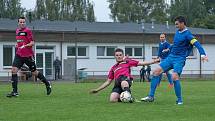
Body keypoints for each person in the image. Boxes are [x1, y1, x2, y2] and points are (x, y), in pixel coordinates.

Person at [141, 16, 208, 105]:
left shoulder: (188, 35)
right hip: (171, 57)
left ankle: (179, 100)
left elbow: (197, 44)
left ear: (182, 23)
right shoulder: (177, 32)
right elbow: (176, 44)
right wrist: (169, 49)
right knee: (156, 72)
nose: (176, 26)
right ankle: (151, 96)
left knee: (174, 77)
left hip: (179, 59)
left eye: (177, 24)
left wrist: (203, 54)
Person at [90, 48, 160, 103]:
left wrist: (153, 61)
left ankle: (128, 95)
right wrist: (97, 90)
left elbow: (141, 63)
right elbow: (108, 82)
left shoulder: (127, 62)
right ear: (114, 56)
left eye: (120, 55)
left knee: (123, 82)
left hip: (126, 80)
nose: (119, 56)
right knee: (112, 100)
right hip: (117, 84)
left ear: (123, 55)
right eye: (117, 55)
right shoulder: (113, 68)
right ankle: (128, 98)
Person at [6, 16, 52, 97]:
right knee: (13, 70)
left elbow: (32, 43)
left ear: (25, 23)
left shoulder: (28, 31)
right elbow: (20, 41)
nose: (22, 23)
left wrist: (25, 46)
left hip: (28, 56)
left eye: (23, 22)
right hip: (19, 55)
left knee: (34, 72)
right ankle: (15, 92)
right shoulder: (17, 31)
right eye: (21, 22)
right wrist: (18, 45)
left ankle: (47, 83)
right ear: (18, 23)